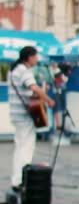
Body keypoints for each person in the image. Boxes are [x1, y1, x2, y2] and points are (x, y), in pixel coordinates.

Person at [8, 46, 55, 193]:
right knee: (26, 148)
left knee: (19, 147)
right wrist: (48, 100)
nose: (37, 59)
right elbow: (34, 88)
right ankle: (22, 179)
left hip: (16, 114)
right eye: (36, 56)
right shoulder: (24, 71)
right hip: (24, 116)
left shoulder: (13, 71)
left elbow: (27, 91)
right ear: (29, 57)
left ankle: (16, 179)